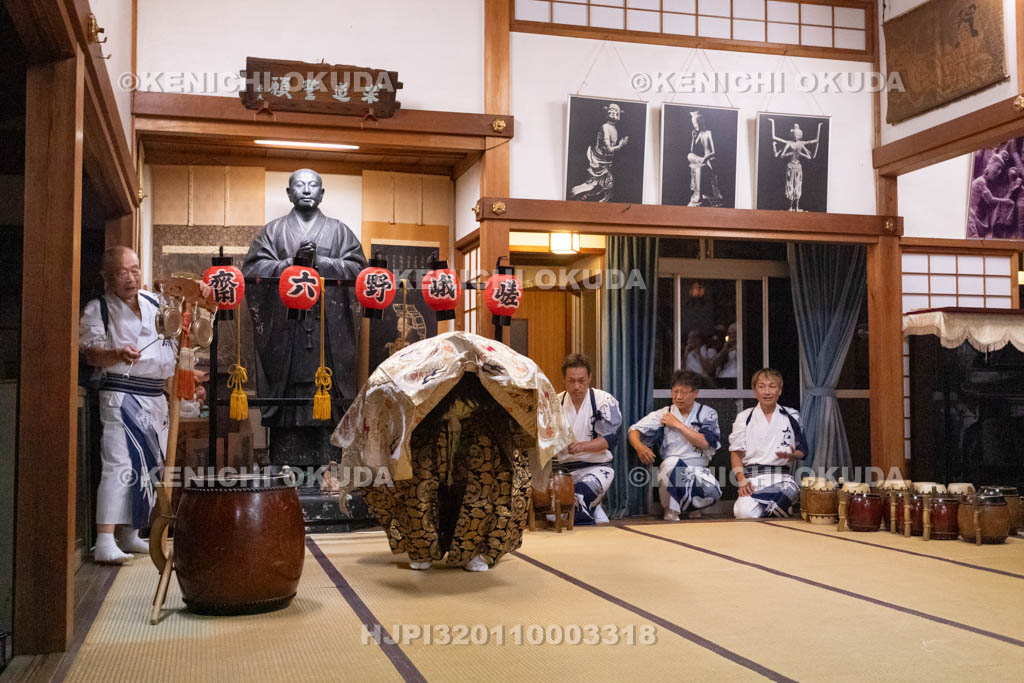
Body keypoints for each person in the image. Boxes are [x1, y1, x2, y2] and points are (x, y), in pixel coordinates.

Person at [79, 247, 206, 564]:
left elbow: (179, 336)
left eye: (134, 269)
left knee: (151, 467)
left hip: (156, 395)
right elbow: (90, 352)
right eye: (121, 272)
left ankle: (130, 533)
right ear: (107, 277)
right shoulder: (99, 310)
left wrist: (202, 299)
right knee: (120, 464)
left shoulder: (155, 303)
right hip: (121, 393)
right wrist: (116, 353)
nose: (130, 277)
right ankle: (105, 538)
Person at [243, 168, 367, 467]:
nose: (307, 190)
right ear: (289, 193)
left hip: (327, 330)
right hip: (287, 332)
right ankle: (286, 461)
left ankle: (329, 466)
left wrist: (321, 263)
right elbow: (252, 272)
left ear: (322, 193)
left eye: (314, 186)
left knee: (325, 390)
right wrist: (289, 265)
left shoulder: (339, 232)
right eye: (300, 185)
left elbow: (361, 273)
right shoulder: (272, 232)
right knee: (290, 395)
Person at [629, 370, 722, 520]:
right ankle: (672, 511)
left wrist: (677, 424)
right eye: (675, 391)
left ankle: (691, 506)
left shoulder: (707, 413)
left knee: (713, 491)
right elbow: (634, 429)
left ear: (695, 393)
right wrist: (639, 447)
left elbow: (706, 442)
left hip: (698, 467)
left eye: (684, 392)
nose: (678, 397)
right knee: (671, 464)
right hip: (670, 467)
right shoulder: (665, 413)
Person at [729, 368, 807, 519]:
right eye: (762, 386)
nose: (767, 391)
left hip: (782, 480)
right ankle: (779, 511)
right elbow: (735, 453)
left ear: (780, 390)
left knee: (791, 490)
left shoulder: (792, 415)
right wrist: (741, 480)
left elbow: (803, 450)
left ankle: (775, 508)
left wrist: (793, 454)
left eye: (772, 386)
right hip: (753, 480)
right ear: (755, 390)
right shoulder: (744, 417)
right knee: (742, 513)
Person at [556, 353, 622, 525]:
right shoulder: (555, 404)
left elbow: (610, 439)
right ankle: (597, 515)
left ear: (590, 378)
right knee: (553, 511)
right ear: (564, 380)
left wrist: (583, 446)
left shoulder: (604, 401)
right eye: (571, 381)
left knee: (579, 498)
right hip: (565, 472)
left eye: (581, 380)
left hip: (598, 468)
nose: (576, 386)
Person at [570, 103, 630, 203]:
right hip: (599, 161)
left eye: (616, 112)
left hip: (606, 161)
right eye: (612, 111)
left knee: (608, 183)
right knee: (597, 183)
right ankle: (579, 195)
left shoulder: (613, 128)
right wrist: (621, 145)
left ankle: (598, 198)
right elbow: (608, 149)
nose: (614, 113)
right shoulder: (605, 127)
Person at [769, 119, 823, 212]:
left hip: (798, 167)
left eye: (798, 135)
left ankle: (797, 207)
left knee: (798, 186)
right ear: (792, 134)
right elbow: (774, 137)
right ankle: (790, 207)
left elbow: (815, 142)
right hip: (790, 166)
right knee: (790, 186)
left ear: (800, 135)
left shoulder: (801, 144)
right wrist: (772, 122)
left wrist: (819, 126)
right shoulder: (789, 143)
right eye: (794, 134)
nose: (796, 136)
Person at [687, 110, 723, 207]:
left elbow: (715, 152)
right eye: (693, 123)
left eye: (696, 123)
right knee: (689, 155)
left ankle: (698, 195)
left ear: (701, 121)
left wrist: (706, 159)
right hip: (702, 159)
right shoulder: (698, 135)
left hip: (710, 161)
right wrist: (693, 138)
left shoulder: (708, 133)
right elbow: (692, 151)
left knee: (699, 168)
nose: (695, 125)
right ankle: (700, 162)